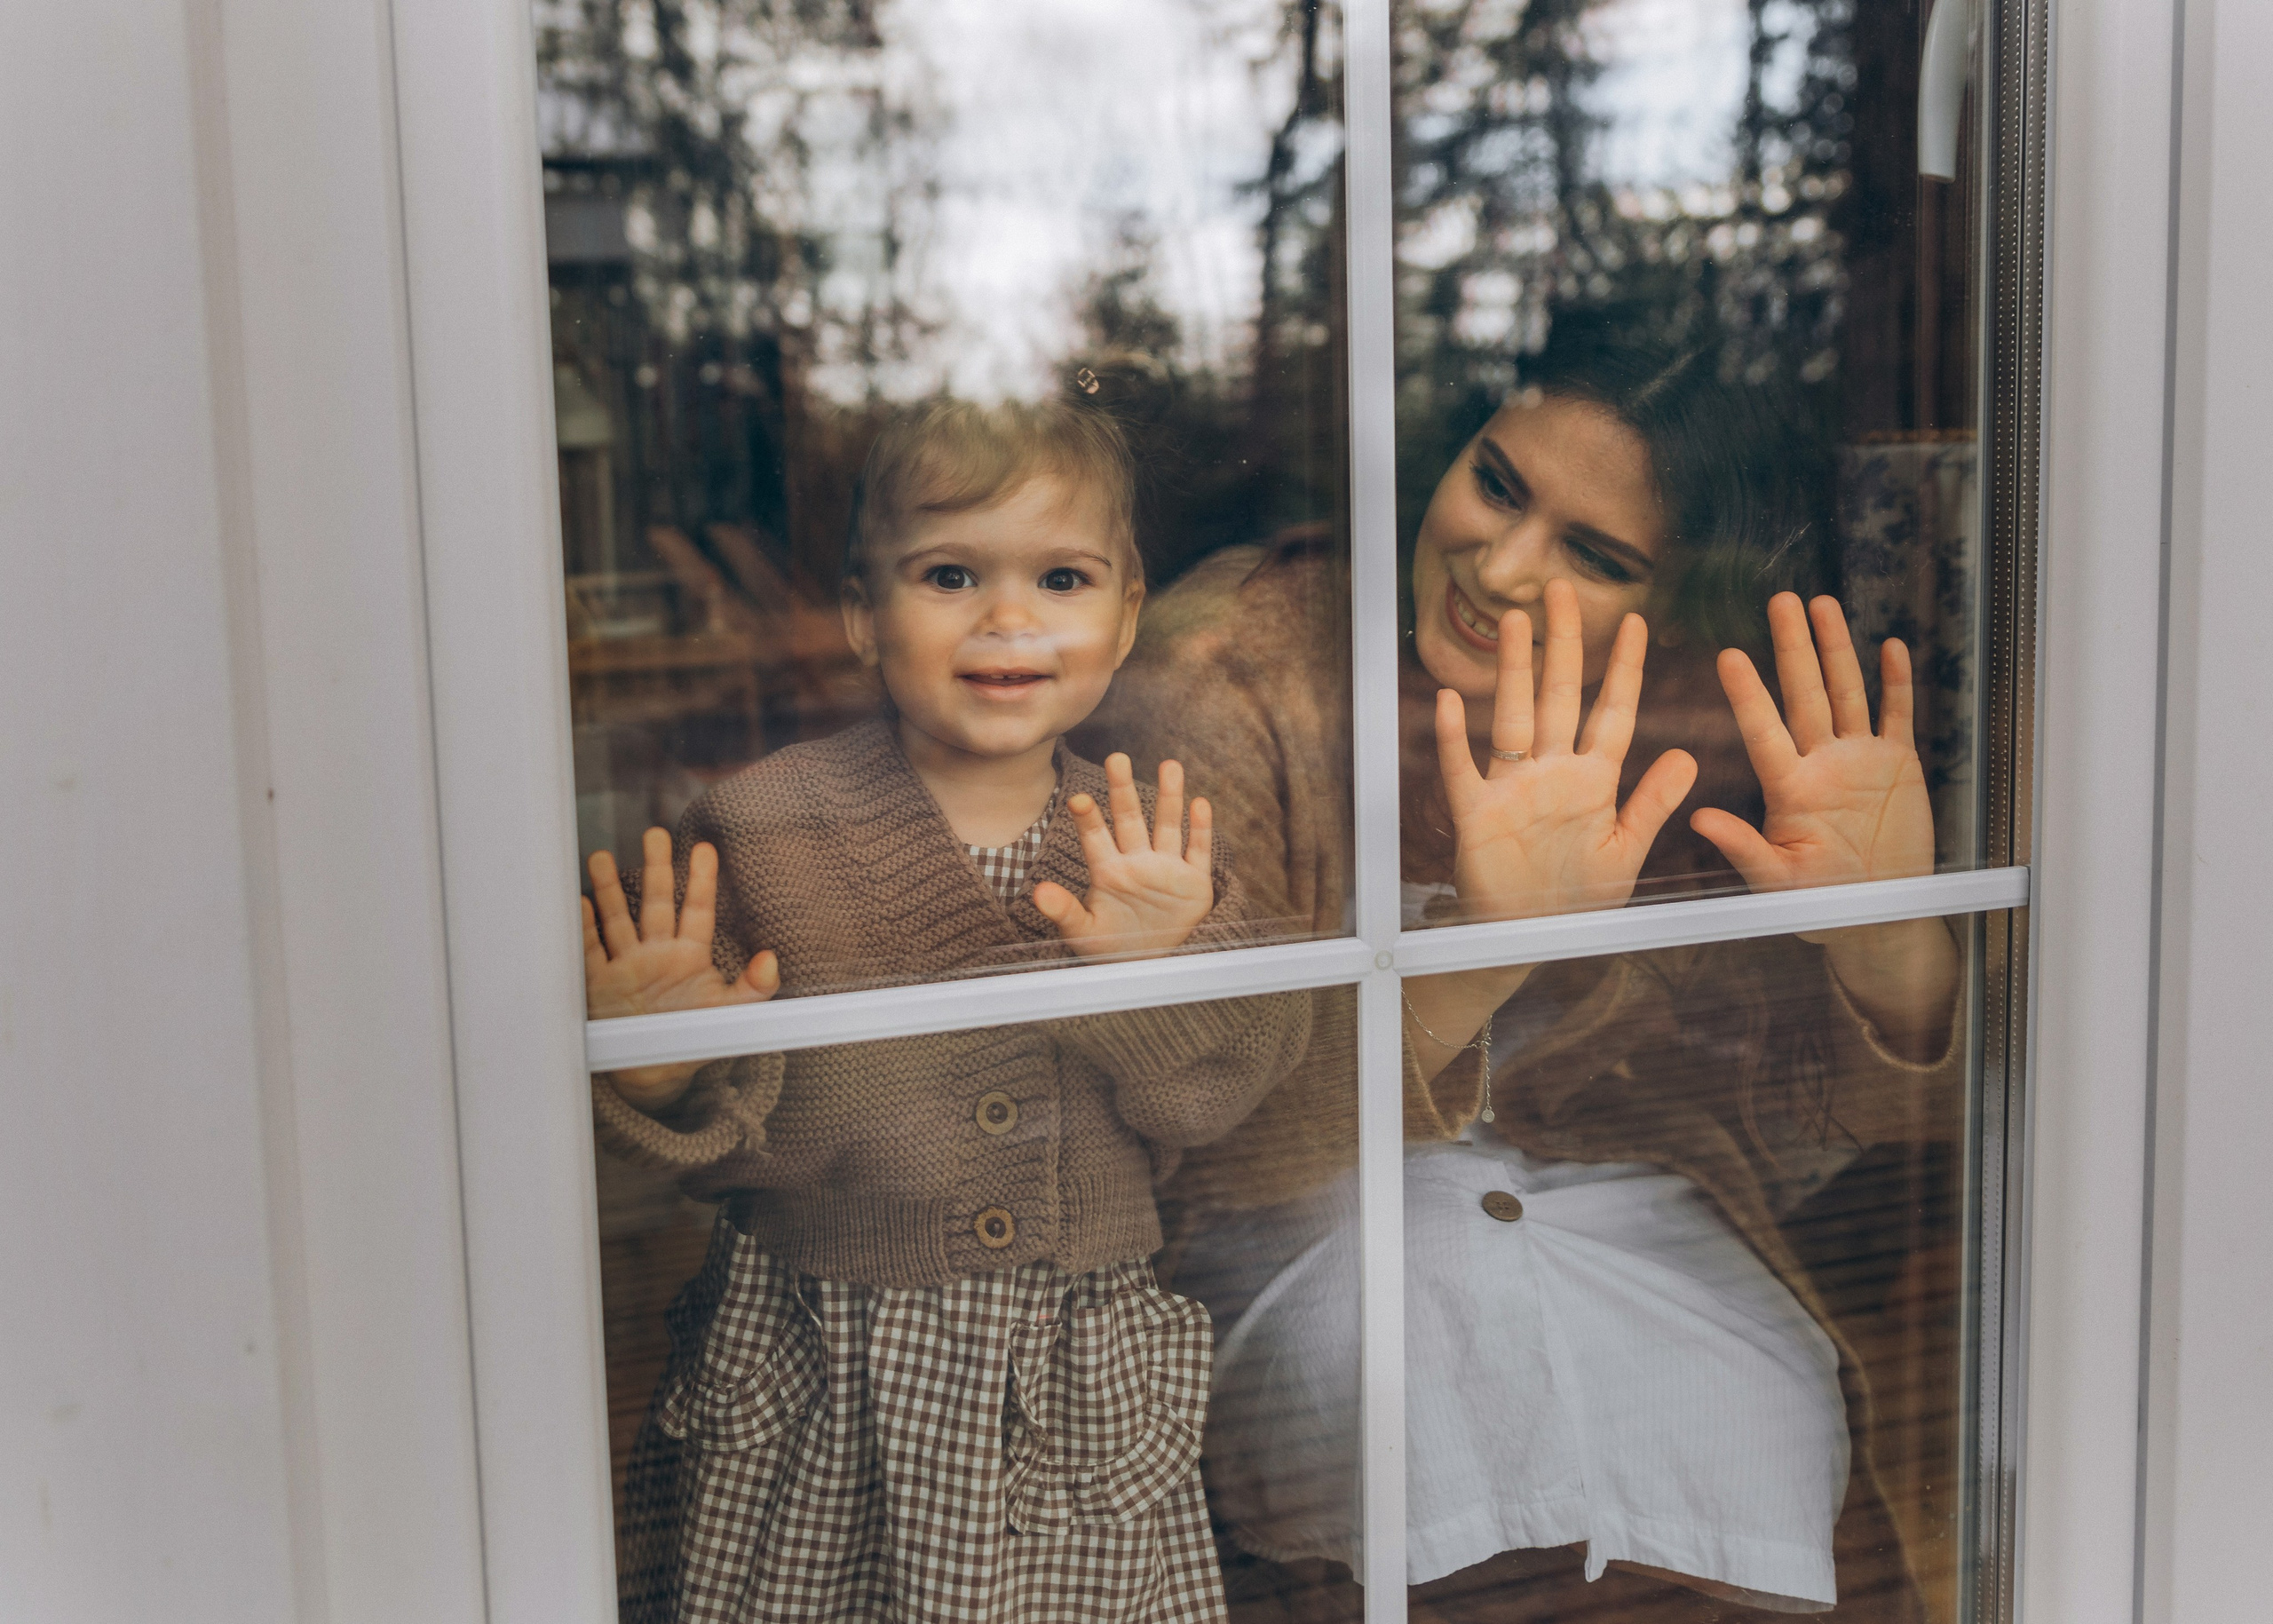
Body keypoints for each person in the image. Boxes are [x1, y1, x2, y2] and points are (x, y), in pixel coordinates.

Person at [1085, 332, 1962, 1621]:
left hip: (1628, 1215)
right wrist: (1476, 961)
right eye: (1497, 484)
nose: (1498, 570)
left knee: (1749, 1415)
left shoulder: (1709, 726)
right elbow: (1196, 1141)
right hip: (1286, 1221)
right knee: (1417, 1406)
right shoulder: (1233, 668)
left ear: (1680, 607)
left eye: (1595, 556)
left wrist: (1892, 942)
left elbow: (1827, 1124)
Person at [582, 398, 1310, 1624]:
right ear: (866, 616)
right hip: (830, 1385)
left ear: (1126, 617)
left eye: (1062, 576)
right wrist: (664, 1069)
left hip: (1073, 1402)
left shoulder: (1147, 849)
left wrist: (1150, 970)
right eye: (951, 573)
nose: (1008, 617)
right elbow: (709, 1132)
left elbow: (1227, 1084)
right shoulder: (762, 829)